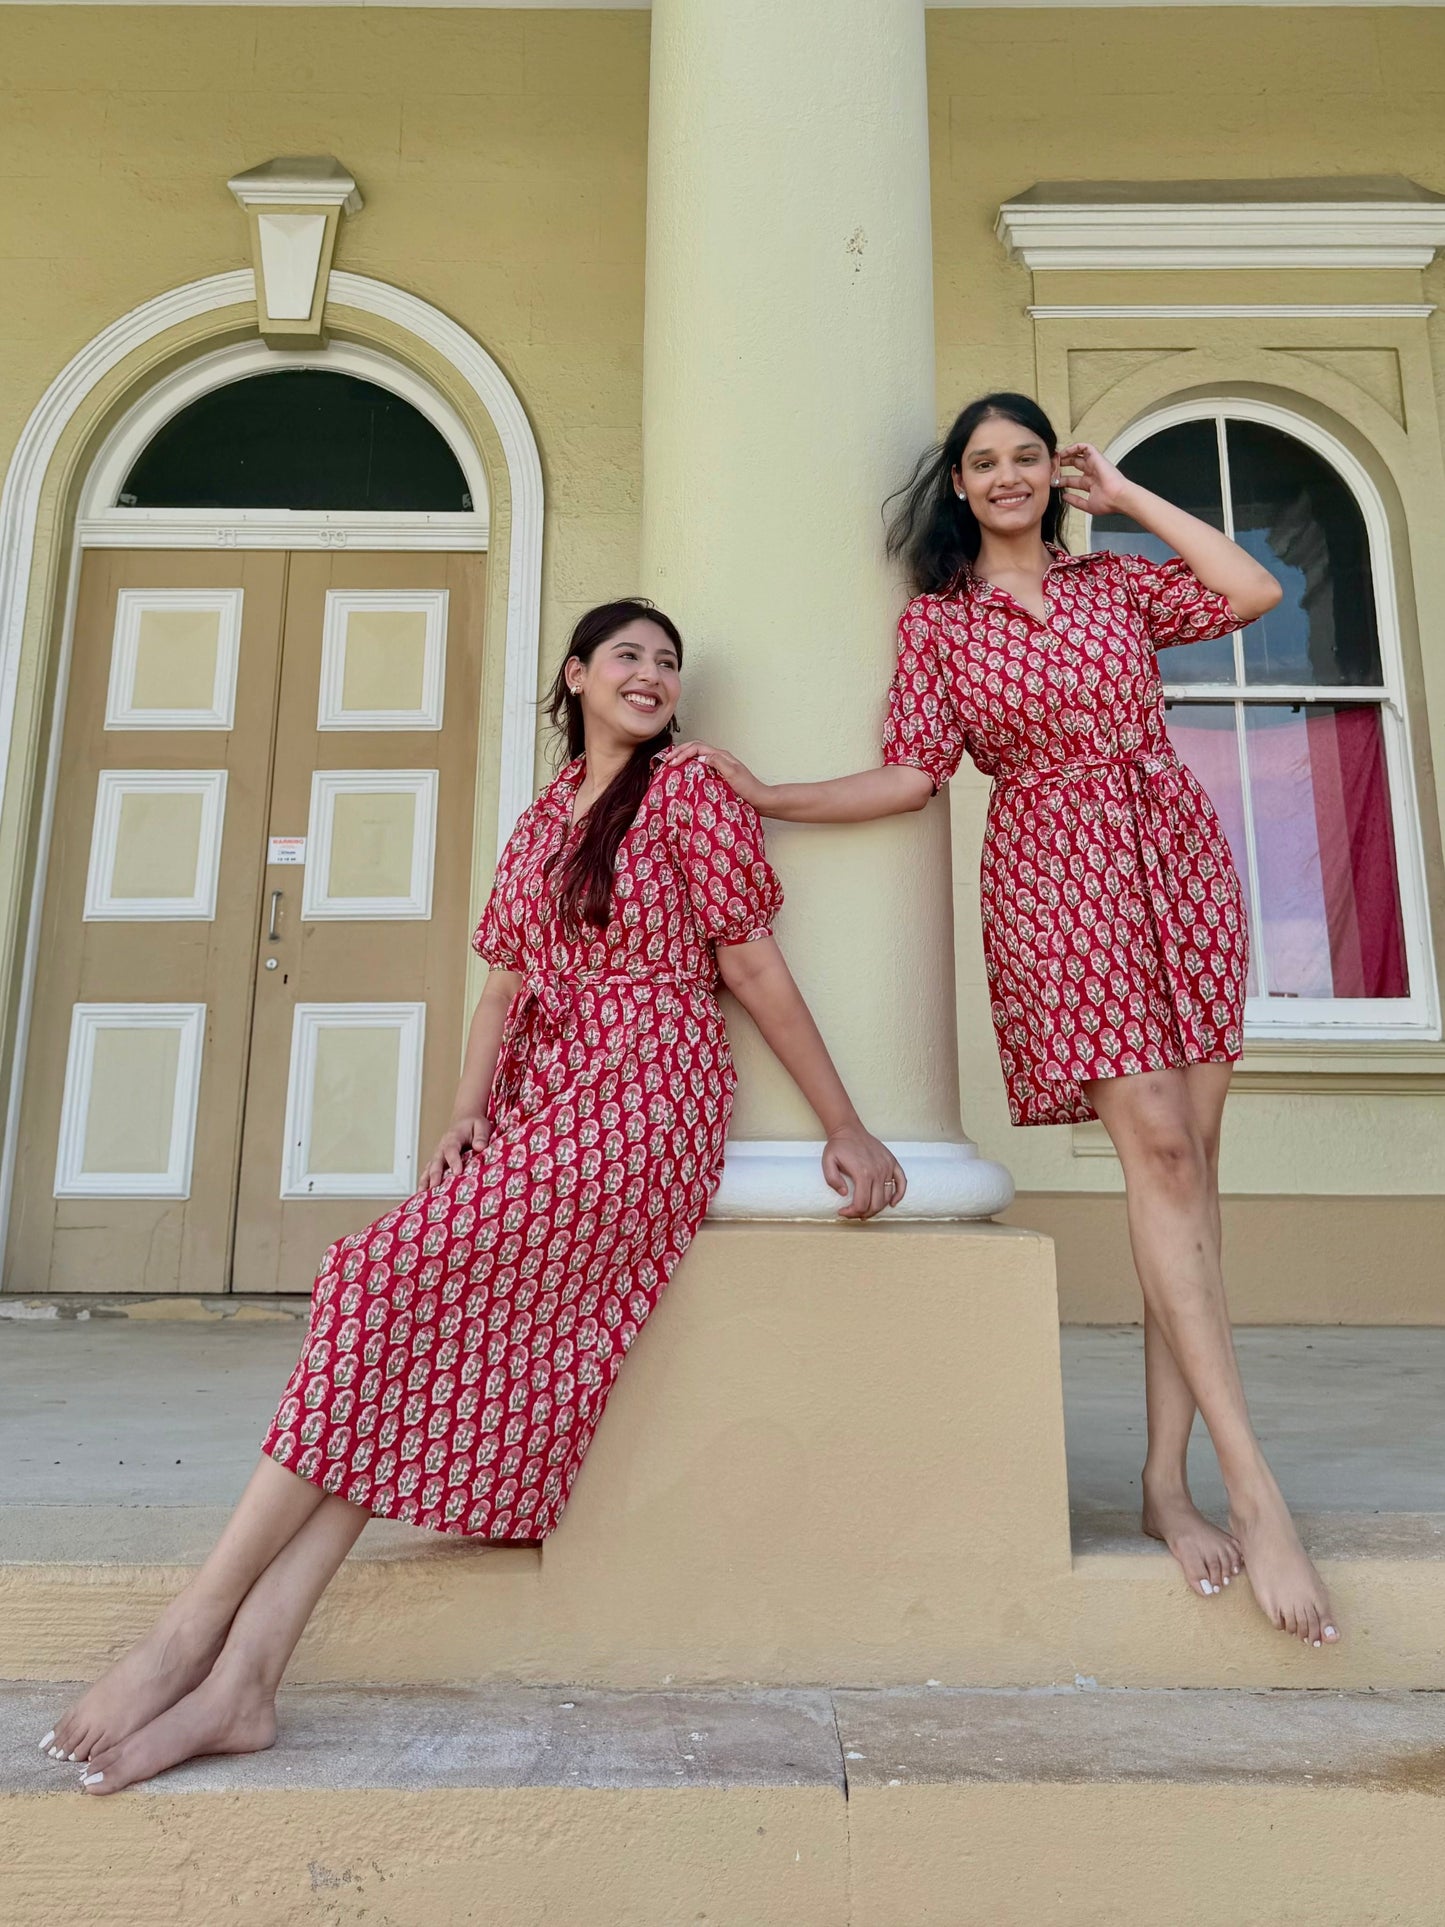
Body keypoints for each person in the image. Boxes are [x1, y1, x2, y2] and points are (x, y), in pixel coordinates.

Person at [45, 597, 906, 1794]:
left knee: (372, 1277)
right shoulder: (547, 813)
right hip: (540, 1098)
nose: (651, 676)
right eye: (627, 657)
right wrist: (462, 1112)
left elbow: (750, 962)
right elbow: (503, 982)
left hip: (644, 1097)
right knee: (409, 1343)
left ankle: (193, 1628)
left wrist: (846, 1120)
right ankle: (244, 1680)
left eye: (666, 663)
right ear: (575, 676)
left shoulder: (690, 795)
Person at [666, 394, 1340, 1650]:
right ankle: (1254, 1491)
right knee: (1158, 1157)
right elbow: (912, 773)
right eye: (984, 463)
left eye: (1026, 456)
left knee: (1187, 1178)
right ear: (959, 489)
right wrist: (768, 793)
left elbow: (1249, 591)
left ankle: (1161, 1482)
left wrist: (1126, 493)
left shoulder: (1115, 588)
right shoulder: (938, 623)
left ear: (1052, 472)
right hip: (1052, 876)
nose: (1006, 475)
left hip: (1173, 860)